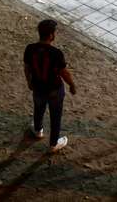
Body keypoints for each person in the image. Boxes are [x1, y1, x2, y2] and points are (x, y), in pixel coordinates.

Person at [24, 19, 77, 153]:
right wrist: (72, 84)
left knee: (38, 108)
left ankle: (37, 130)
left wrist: (29, 82)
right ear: (51, 35)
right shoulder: (56, 53)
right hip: (54, 90)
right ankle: (53, 144)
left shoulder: (30, 49)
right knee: (55, 116)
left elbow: (27, 68)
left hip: (37, 87)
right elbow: (63, 73)